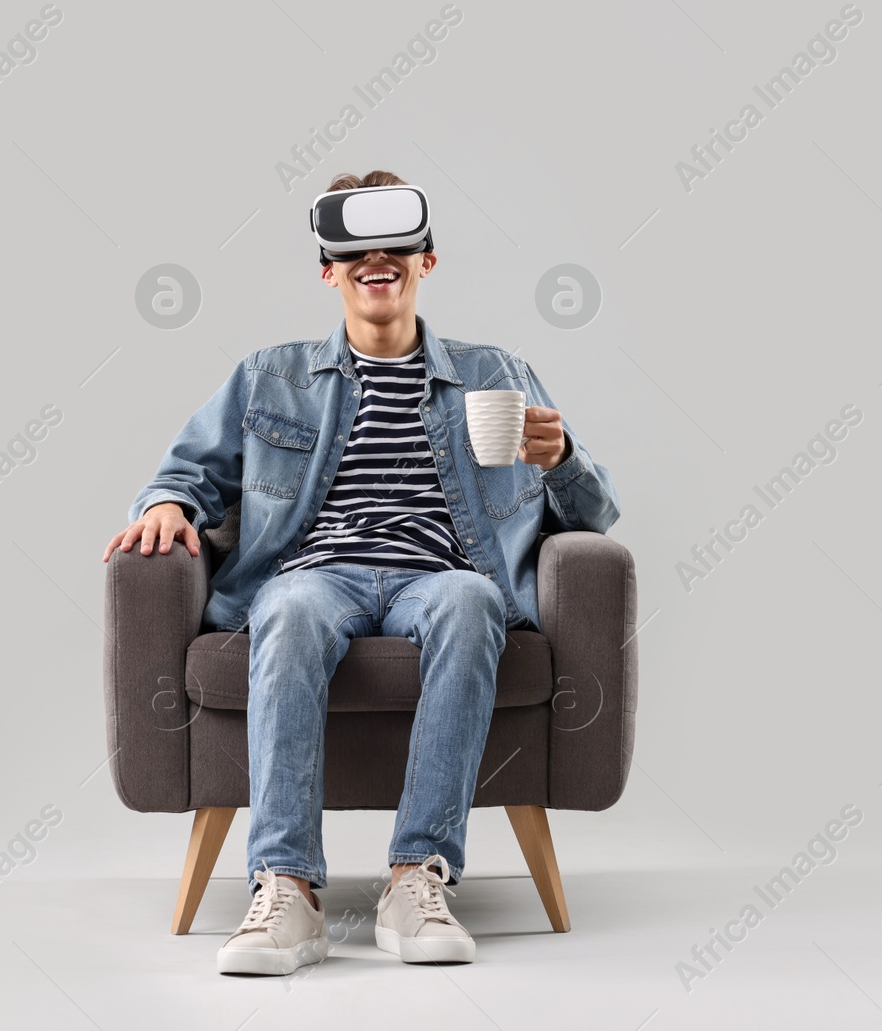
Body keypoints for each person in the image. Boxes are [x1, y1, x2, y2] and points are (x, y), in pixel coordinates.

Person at [103, 170, 619, 975]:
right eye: (355, 248)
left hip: (439, 574)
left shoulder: (498, 374)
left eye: (397, 244)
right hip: (317, 573)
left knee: (473, 602)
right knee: (290, 608)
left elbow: (593, 517)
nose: (376, 257)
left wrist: (563, 461)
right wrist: (169, 503)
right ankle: (287, 887)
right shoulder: (269, 376)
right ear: (330, 271)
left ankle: (417, 876)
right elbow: (187, 472)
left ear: (427, 262)